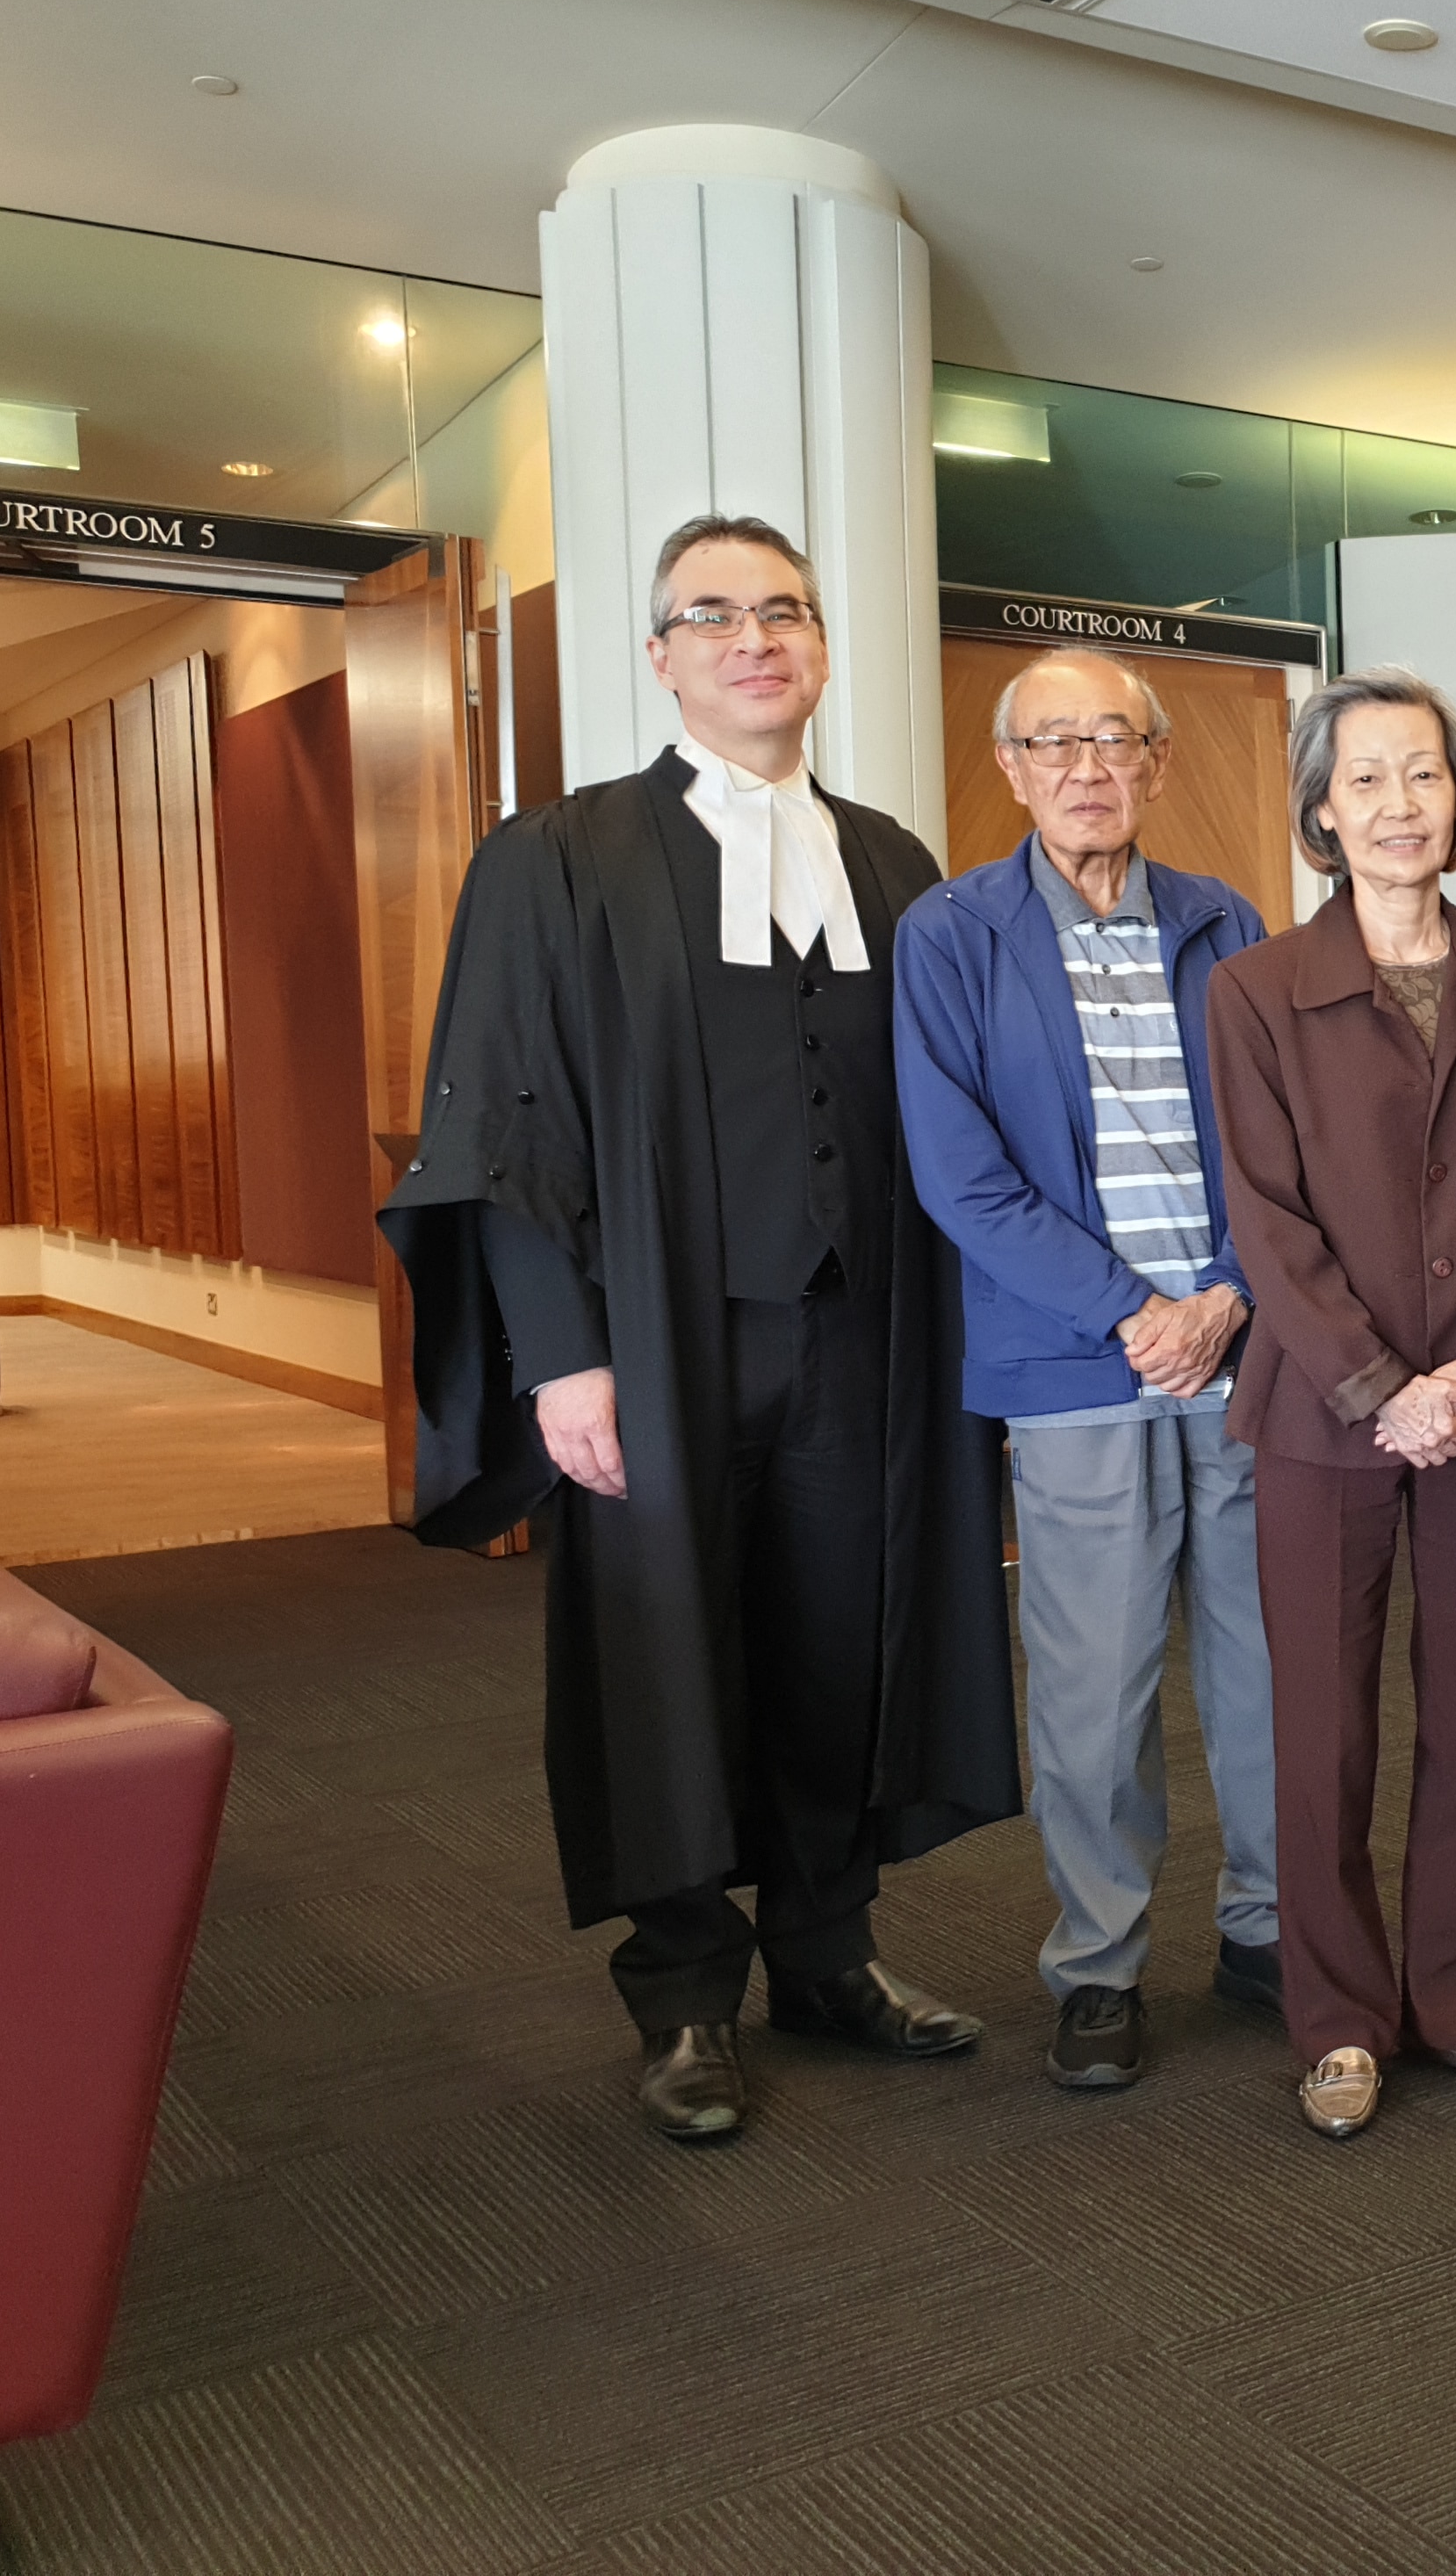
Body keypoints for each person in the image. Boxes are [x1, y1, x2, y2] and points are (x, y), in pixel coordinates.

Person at [383, 510, 1014, 2145]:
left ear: (818, 649)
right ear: (659, 656)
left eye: (786, 610)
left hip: (866, 1338)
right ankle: (683, 1998)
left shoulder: (892, 861)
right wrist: (558, 1355)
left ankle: (825, 1953)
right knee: (665, 1651)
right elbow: (502, 1127)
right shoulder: (559, 857)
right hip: (656, 1342)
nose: (757, 638)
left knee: (838, 1636)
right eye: (715, 614)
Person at [891, 646, 1280, 2092]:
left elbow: (1277, 1147)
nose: (1087, 771)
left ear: (1159, 762)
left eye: (1114, 743)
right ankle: (1102, 1964)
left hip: (1241, 1367)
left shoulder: (1225, 921)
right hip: (1076, 1368)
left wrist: (1230, 1296)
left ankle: (1268, 1930)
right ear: (1010, 770)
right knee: (1094, 1696)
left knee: (1264, 1675)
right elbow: (960, 1176)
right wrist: (1137, 1311)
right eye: (1054, 746)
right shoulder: (953, 934)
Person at [1206, 668, 1456, 2141]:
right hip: (1318, 1413)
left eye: (1423, 776)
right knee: (1323, 1725)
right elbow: (1265, 1220)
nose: (1398, 805)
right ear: (1320, 811)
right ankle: (1340, 2018)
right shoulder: (1255, 991)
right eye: (1366, 780)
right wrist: (1379, 1389)